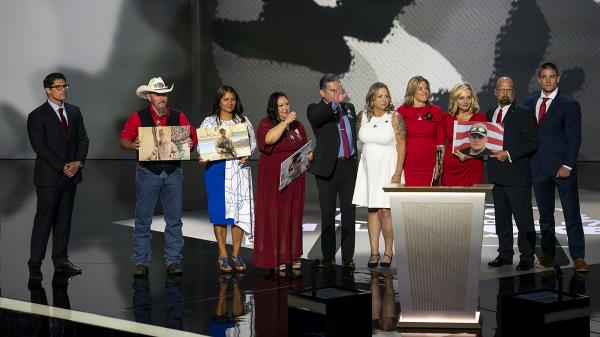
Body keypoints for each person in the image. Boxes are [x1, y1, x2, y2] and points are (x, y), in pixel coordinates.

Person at [119, 76, 197, 277]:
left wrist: (190, 144)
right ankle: (141, 261)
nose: (162, 98)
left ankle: (173, 260)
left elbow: (192, 138)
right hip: (148, 172)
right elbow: (124, 140)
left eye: (164, 95)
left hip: (172, 171)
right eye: (158, 95)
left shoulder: (179, 117)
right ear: (149, 97)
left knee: (174, 219)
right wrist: (133, 144)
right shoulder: (138, 117)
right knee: (143, 219)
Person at [524, 62, 587, 272]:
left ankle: (578, 257)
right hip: (539, 168)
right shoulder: (530, 101)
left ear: (558, 79)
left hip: (562, 168)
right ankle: (549, 255)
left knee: (571, 213)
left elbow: (574, 138)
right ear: (539, 79)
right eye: (544, 77)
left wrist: (568, 165)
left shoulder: (569, 104)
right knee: (545, 216)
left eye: (552, 77)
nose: (548, 80)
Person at [26, 72, 89, 281]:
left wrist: (78, 163)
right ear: (48, 90)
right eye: (59, 87)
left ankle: (61, 261)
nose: (64, 90)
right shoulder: (37, 115)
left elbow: (83, 139)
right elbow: (40, 148)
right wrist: (63, 166)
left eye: (65, 86)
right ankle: (35, 264)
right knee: (43, 221)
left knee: (64, 221)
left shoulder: (75, 111)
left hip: (71, 176)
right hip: (49, 178)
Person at [198, 85, 256, 273]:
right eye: (226, 99)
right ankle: (223, 254)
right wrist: (203, 155)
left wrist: (248, 154)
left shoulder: (243, 121)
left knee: (239, 213)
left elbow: (252, 143)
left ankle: (237, 254)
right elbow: (202, 146)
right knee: (220, 214)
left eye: (233, 99)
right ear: (219, 101)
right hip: (217, 171)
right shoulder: (209, 122)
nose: (230, 103)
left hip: (239, 170)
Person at [254, 92, 311, 274]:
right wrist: (285, 122)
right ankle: (276, 255)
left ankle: (292, 254)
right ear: (274, 108)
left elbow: (303, 145)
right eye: (281, 105)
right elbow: (269, 139)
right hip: (273, 177)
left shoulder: (298, 125)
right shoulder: (266, 123)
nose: (286, 108)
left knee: (292, 214)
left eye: (287, 104)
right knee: (275, 214)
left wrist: (308, 156)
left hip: (294, 177)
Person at [486, 76, 538, 271]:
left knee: (523, 220)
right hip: (497, 177)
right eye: (502, 90)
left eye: (509, 90)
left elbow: (531, 142)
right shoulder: (490, 113)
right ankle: (505, 254)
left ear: (514, 92)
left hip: (517, 176)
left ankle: (527, 256)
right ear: (496, 92)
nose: (505, 93)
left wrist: (508, 154)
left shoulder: (524, 113)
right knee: (502, 220)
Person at [352, 82, 406, 268]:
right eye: (381, 96)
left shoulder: (395, 117)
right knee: (372, 210)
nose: (385, 99)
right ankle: (374, 252)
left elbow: (402, 146)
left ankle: (388, 251)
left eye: (387, 96)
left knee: (386, 211)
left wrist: (398, 172)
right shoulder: (362, 117)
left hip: (388, 169)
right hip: (368, 170)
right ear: (372, 99)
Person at [307, 74, 358, 270]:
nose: (338, 93)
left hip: (348, 168)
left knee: (349, 215)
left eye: (339, 89)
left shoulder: (349, 108)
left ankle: (348, 258)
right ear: (323, 92)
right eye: (333, 90)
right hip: (327, 169)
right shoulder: (315, 109)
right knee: (327, 214)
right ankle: (328, 257)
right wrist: (335, 104)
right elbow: (318, 118)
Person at [397, 76, 445, 186]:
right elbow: (398, 142)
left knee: (428, 201)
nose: (425, 91)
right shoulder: (401, 111)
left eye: (426, 88)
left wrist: (439, 164)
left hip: (430, 165)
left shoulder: (436, 111)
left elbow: (441, 143)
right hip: (407, 164)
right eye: (420, 88)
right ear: (412, 90)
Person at [442, 83, 488, 186]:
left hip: (473, 166)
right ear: (455, 99)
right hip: (451, 167)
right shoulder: (446, 117)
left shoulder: (480, 118)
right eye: (461, 98)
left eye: (468, 97)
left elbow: (487, 147)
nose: (465, 101)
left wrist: (470, 156)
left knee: (473, 200)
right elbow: (440, 143)